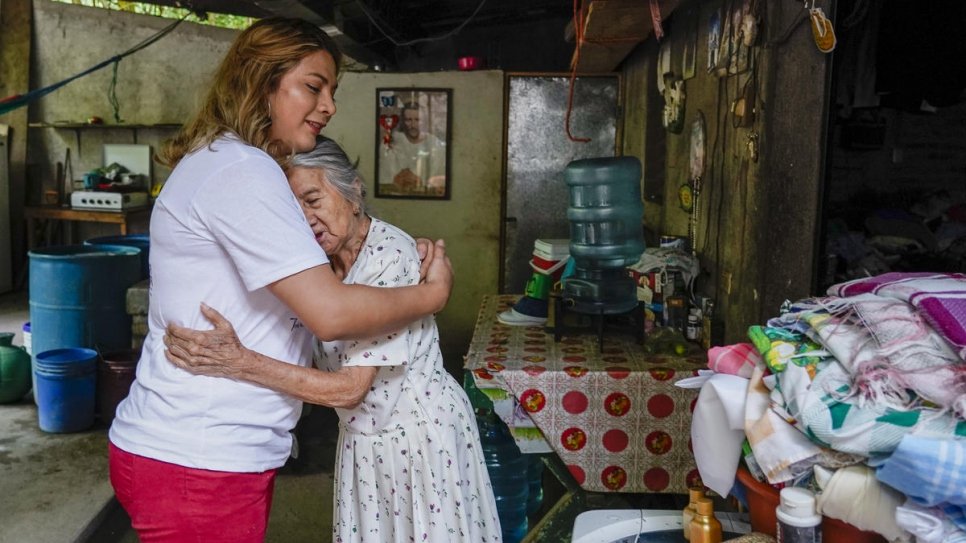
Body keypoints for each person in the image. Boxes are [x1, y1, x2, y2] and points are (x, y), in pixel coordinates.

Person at [107, 18, 453, 543]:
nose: (329, 106)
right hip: (203, 456)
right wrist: (431, 294)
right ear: (260, 82)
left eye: (331, 91)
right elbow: (330, 314)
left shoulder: (221, 161)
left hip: (191, 448)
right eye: (313, 87)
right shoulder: (242, 168)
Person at [164, 136, 502, 543]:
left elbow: (349, 390)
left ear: (353, 191)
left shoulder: (389, 256)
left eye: (313, 199)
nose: (305, 219)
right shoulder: (316, 267)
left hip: (418, 439)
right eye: (293, 210)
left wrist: (239, 362)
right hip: (363, 441)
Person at [377, 101, 447, 195]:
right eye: (408, 120)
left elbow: (439, 180)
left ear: (425, 121)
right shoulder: (392, 142)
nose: (413, 125)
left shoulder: (435, 145)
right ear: (403, 121)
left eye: (417, 120)